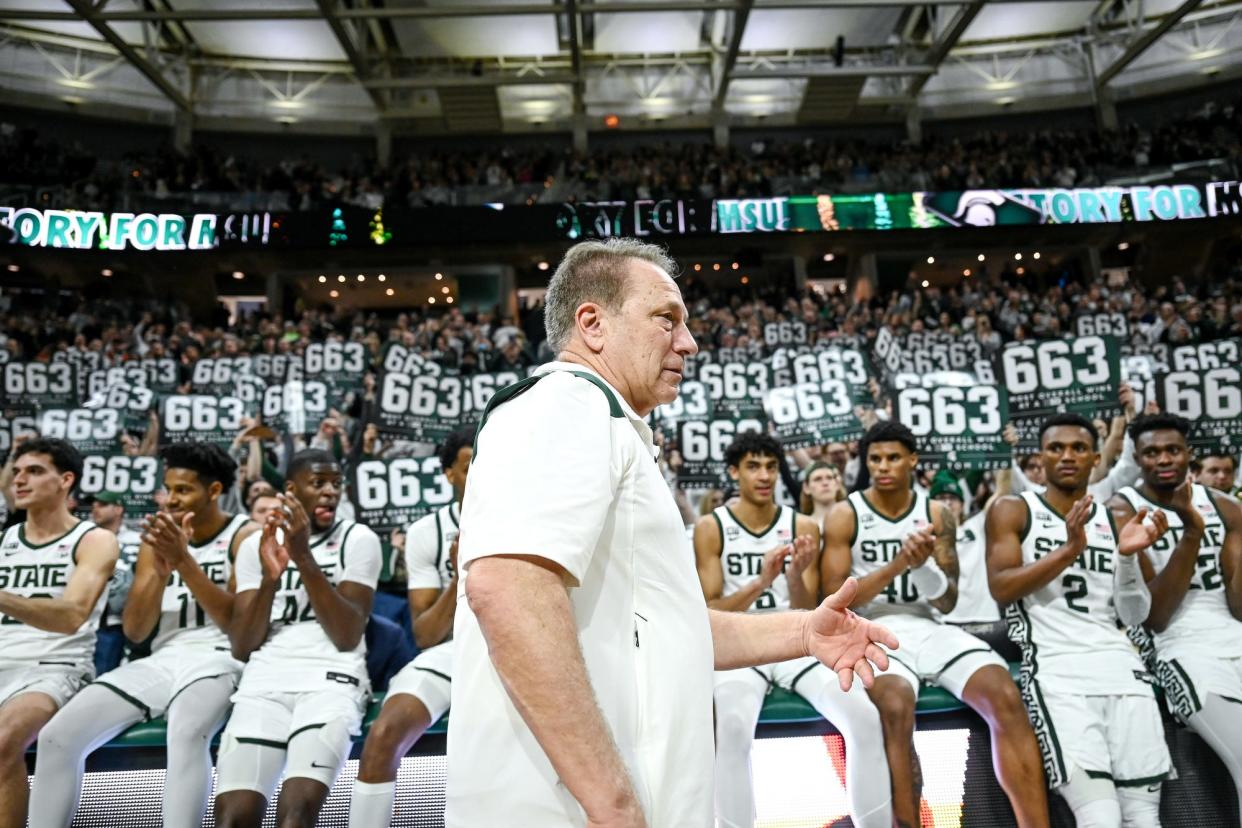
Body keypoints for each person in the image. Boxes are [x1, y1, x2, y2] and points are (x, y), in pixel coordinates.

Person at [446, 237, 896, 828]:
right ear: (593, 324)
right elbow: (506, 589)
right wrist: (614, 804)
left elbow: (669, 624)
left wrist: (805, 632)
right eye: (667, 320)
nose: (689, 341)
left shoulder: (607, 424)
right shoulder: (566, 403)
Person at [823, 420, 1047, 828]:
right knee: (894, 706)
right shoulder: (845, 513)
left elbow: (948, 599)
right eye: (875, 458)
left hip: (929, 625)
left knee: (1004, 692)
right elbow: (835, 600)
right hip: (868, 628)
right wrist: (899, 565)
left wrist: (923, 567)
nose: (883, 466)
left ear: (912, 460)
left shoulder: (937, 513)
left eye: (893, 457)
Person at [30, 442, 256, 828]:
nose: (171, 500)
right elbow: (136, 631)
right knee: (57, 737)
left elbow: (238, 628)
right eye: (168, 489)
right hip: (163, 657)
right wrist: (161, 570)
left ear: (214, 491)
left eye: (183, 490)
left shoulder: (244, 535)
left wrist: (185, 562)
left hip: (224, 656)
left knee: (186, 733)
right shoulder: (158, 538)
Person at [696, 432, 891, 827]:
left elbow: (808, 611)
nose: (764, 475)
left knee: (864, 717)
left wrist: (796, 575)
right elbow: (708, 610)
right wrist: (761, 583)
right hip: (741, 644)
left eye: (770, 466)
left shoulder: (802, 525)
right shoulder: (710, 527)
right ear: (734, 472)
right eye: (753, 466)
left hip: (793, 639)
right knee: (731, 728)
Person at [987, 413, 1172, 827]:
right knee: (1099, 816)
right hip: (1058, 673)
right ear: (1041, 457)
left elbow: (1136, 615)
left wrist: (1127, 560)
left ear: (1095, 458)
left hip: (1124, 672)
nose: (1067, 456)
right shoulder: (1013, 509)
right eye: (1056, 448)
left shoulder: (1118, 517)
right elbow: (1001, 588)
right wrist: (1069, 550)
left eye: (1077, 448)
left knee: (1144, 817)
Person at [214, 449, 382, 828]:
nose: (329, 493)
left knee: (296, 815)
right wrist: (271, 580)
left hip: (330, 680)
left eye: (336, 484)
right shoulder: (257, 545)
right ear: (290, 490)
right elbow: (241, 645)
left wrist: (303, 557)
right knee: (232, 818)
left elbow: (346, 634)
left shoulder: (359, 539)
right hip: (264, 682)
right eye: (318, 483)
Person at [1110, 414, 1242, 810]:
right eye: (1152, 452)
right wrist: (1191, 530)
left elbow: (1238, 606)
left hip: (1232, 632)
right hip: (1178, 646)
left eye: (1173, 450)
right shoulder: (1122, 510)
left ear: (1190, 455)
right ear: (1137, 457)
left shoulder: (1227, 507)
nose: (1163, 459)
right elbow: (1157, 615)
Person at [349, 426, 474, 827]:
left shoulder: (531, 519)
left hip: (519, 650)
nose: (485, 473)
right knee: (385, 733)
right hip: (455, 649)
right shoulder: (427, 533)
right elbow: (425, 634)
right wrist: (461, 575)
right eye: (471, 466)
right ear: (449, 474)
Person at [0, 438, 117, 827]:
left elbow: (71, 616)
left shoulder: (94, 539)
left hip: (55, 667)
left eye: (34, 471)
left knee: (2, 743)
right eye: (16, 471)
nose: (20, 480)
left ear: (66, 480)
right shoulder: (5, 540)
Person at [800, 461, 845, 526]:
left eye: (829, 478)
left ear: (837, 484)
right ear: (806, 488)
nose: (825, 483)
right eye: (817, 479)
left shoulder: (854, 518)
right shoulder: (801, 525)